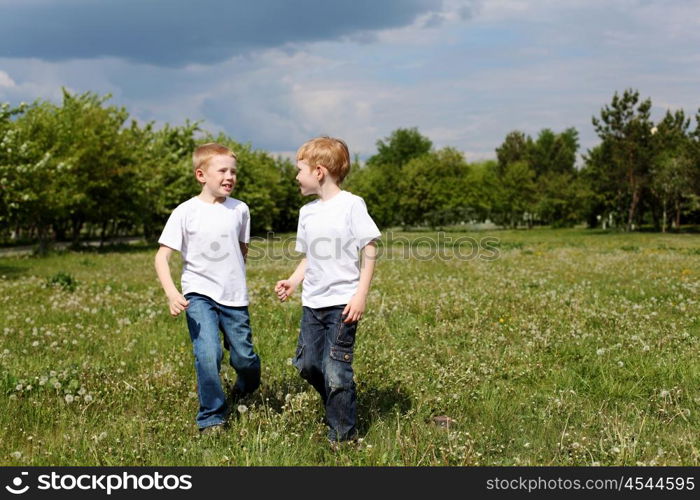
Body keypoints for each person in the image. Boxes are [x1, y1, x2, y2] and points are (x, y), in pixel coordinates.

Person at [275, 136, 380, 445]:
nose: (296, 176)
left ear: (318, 171)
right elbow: (309, 256)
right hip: (313, 304)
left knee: (336, 370)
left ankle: (343, 437)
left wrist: (360, 294)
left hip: (342, 304)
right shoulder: (307, 213)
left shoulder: (351, 204)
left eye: (299, 169)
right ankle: (340, 404)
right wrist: (294, 281)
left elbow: (369, 248)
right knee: (307, 366)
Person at [155, 143, 260, 434]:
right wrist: (173, 293)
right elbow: (162, 257)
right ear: (201, 175)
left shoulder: (240, 209)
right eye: (223, 170)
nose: (230, 176)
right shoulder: (185, 212)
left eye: (233, 171)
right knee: (208, 353)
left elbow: (242, 249)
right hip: (198, 294)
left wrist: (234, 275)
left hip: (234, 296)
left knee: (245, 358)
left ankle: (246, 385)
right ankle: (212, 416)